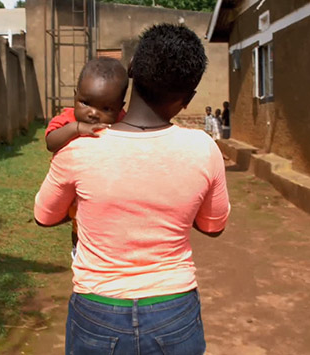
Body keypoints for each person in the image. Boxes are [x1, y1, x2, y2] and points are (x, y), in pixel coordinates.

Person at [34, 23, 230, 355]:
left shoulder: (78, 145)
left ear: (132, 68)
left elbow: (44, 217)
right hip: (174, 311)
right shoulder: (203, 148)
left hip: (97, 310)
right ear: (187, 100)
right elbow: (213, 226)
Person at [44, 57, 128, 258]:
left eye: (106, 108)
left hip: (108, 191)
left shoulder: (122, 122)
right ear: (75, 96)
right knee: (79, 226)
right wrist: (76, 128)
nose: (93, 114)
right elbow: (51, 142)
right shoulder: (68, 119)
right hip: (74, 192)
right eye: (85, 103)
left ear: (119, 108)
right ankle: (78, 252)